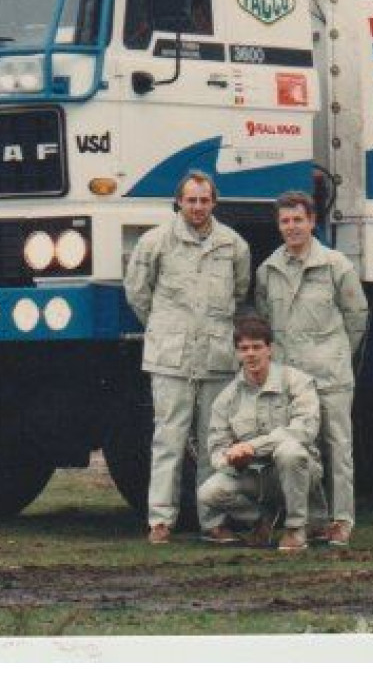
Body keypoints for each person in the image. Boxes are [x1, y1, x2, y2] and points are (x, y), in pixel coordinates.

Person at [124, 170, 252, 545]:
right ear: (179, 201)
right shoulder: (155, 242)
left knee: (214, 442)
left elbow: (240, 294)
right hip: (171, 356)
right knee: (169, 439)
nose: (197, 207)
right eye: (191, 200)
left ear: (214, 202)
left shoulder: (233, 245)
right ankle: (160, 521)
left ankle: (211, 521)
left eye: (204, 200)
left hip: (215, 355)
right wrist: (165, 328)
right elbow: (137, 292)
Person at [254, 190, 369, 548]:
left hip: (331, 375)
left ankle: (342, 520)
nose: (292, 227)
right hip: (291, 380)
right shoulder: (267, 270)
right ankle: (313, 520)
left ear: (312, 222)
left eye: (298, 220)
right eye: (285, 221)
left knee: (338, 448)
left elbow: (357, 316)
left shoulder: (336, 266)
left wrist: (336, 355)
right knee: (300, 449)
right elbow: (264, 320)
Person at [197, 315, 322, 554]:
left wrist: (252, 447)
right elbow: (216, 450)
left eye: (257, 347)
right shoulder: (226, 398)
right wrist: (232, 460)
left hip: (300, 471)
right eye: (244, 349)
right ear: (236, 353)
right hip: (254, 476)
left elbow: (304, 430)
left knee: (290, 450)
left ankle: (296, 529)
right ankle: (261, 519)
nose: (251, 354)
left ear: (270, 349)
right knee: (208, 492)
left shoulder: (296, 381)